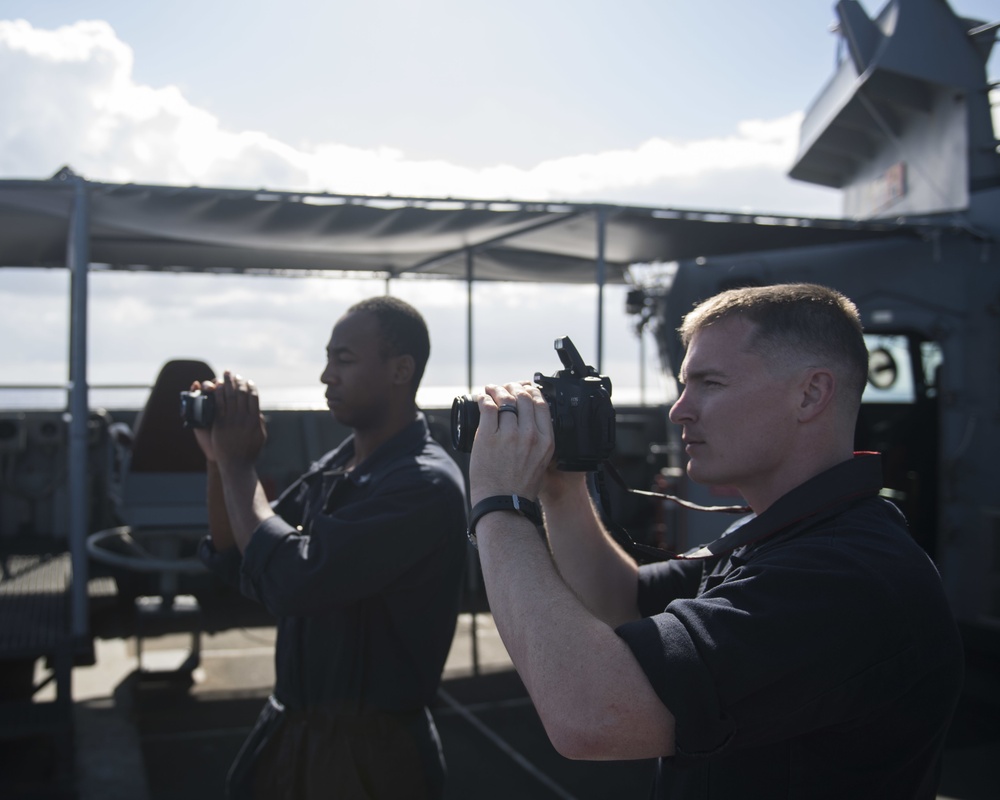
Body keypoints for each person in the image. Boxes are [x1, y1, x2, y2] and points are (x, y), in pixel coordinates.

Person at [467, 283, 964, 799]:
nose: (680, 410)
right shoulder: (785, 535)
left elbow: (592, 714)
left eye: (710, 383)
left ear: (811, 394)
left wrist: (498, 505)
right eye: (684, 385)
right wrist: (562, 485)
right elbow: (620, 603)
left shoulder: (846, 576)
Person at [194, 296, 468, 800]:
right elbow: (241, 553)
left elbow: (293, 580)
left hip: (373, 757)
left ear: (400, 370)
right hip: (296, 731)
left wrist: (238, 467)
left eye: (343, 359)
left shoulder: (424, 485)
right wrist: (218, 460)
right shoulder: (340, 465)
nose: (326, 375)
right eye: (328, 359)